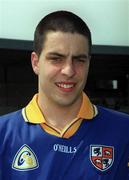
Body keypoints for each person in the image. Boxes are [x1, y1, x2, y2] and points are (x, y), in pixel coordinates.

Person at [0, 10, 129, 180]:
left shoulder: (124, 131)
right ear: (36, 62)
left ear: (89, 63)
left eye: (79, 60)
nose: (69, 71)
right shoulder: (3, 134)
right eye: (56, 58)